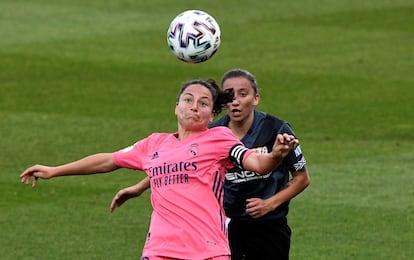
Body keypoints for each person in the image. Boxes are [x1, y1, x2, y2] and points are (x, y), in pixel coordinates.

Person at [20, 79, 299, 260]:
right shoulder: (154, 144)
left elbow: (258, 164)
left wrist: (276, 154)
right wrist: (55, 170)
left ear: (212, 114)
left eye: (204, 103)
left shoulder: (219, 139)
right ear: (175, 106)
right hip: (159, 251)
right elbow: (109, 160)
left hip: (207, 251)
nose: (194, 107)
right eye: (188, 100)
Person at [209, 69, 310, 260]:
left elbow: (302, 178)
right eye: (229, 95)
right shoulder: (212, 133)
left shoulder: (276, 130)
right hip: (225, 227)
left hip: (270, 227)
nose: (235, 101)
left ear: (256, 99)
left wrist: (269, 204)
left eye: (243, 94)